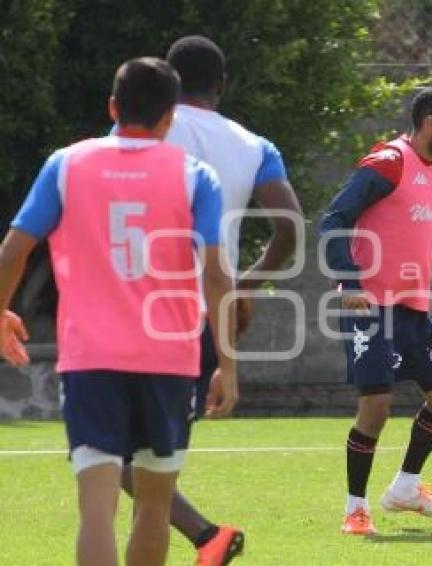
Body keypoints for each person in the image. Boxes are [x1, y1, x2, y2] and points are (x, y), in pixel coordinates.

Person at [0, 57, 236, 565]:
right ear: (170, 117)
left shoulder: (67, 164)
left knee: (96, 509)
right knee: (153, 507)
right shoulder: (196, 177)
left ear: (112, 106)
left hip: (91, 360)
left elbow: (13, 251)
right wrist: (228, 365)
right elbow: (217, 275)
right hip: (170, 361)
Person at [114, 35, 302, 566]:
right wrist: (246, 284)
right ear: (222, 85)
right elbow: (288, 226)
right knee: (151, 460)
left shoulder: (144, 131)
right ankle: (205, 539)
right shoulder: (254, 145)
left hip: (139, 308)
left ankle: (206, 535)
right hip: (202, 321)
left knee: (110, 457)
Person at [319, 86, 432, 535]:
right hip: (370, 305)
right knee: (377, 407)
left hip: (413, 308)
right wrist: (348, 280)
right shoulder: (389, 162)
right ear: (431, 123)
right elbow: (333, 218)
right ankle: (354, 510)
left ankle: (405, 487)